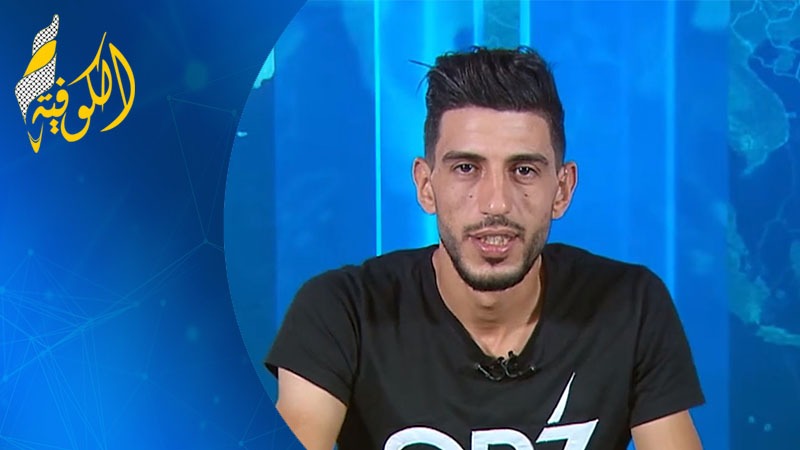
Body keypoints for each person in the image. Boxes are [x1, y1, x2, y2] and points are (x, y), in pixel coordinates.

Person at [265, 46, 705, 450]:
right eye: (466, 168)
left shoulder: (629, 306)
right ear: (426, 185)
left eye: (524, 170)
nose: (496, 203)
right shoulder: (344, 311)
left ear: (562, 190)